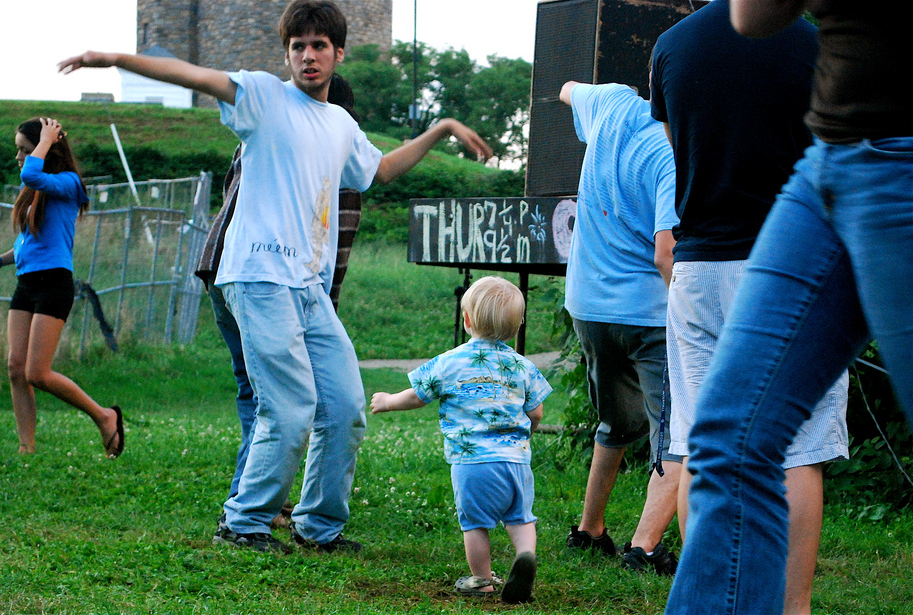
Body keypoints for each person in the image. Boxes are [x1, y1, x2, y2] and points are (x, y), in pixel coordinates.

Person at [59, 0, 491, 553]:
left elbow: (379, 169)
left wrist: (442, 128)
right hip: (258, 275)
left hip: (309, 286)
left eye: (318, 47)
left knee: (345, 407)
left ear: (339, 53)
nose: (307, 57)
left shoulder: (341, 123)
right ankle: (243, 522)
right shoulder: (263, 97)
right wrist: (111, 57)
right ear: (286, 52)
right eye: (297, 47)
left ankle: (318, 527)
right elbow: (190, 73)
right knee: (287, 409)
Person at [666, 1, 913, 612]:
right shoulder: (801, 46)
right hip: (831, 153)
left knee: (727, 440)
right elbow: (756, 14)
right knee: (731, 439)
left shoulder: (672, 48)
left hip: (898, 161)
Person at [194, 73, 361, 528]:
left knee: (322, 405)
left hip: (250, 275)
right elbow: (339, 245)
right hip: (253, 277)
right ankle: (247, 515)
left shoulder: (300, 145)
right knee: (279, 402)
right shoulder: (286, 136)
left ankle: (304, 518)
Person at [558, 79, 682, 574]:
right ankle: (645, 547)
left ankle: (590, 530)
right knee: (679, 434)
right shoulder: (671, 150)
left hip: (588, 306)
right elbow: (666, 251)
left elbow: (566, 89)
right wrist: (694, 317)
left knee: (617, 422)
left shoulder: (609, 101)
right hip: (647, 313)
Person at [371, 276, 551, 604]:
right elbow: (536, 412)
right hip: (516, 461)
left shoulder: (451, 361)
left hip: (472, 463)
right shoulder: (523, 366)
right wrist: (527, 434)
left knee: (475, 524)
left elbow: (418, 396)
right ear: (517, 326)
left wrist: (387, 401)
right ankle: (525, 554)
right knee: (521, 517)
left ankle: (482, 580)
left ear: (466, 320)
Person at [0, 117, 124, 458]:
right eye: (18, 150)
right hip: (27, 284)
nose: (18, 157)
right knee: (16, 368)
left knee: (37, 372)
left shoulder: (68, 183)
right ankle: (26, 447)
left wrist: (45, 140)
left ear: (46, 150)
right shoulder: (38, 190)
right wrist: (0, 260)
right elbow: (28, 243)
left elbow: (30, 173)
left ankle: (105, 416)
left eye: (25, 149)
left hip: (53, 283)